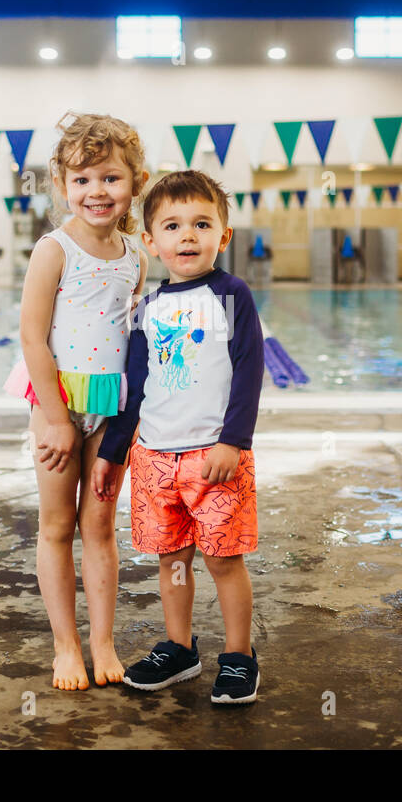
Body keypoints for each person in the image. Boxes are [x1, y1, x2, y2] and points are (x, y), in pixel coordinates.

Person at [91, 170, 265, 704]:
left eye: (201, 223)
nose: (187, 235)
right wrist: (112, 452)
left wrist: (232, 442)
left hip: (214, 457)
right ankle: (179, 646)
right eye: (172, 225)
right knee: (172, 560)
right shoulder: (146, 308)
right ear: (151, 241)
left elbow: (249, 370)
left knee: (223, 559)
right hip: (154, 459)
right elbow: (135, 385)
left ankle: (239, 655)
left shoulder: (231, 295)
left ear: (224, 235)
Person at [2, 112, 150, 691]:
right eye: (82, 179)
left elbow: (131, 337)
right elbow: (32, 337)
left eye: (110, 178)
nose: (96, 191)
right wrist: (56, 420)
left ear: (135, 183)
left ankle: (104, 641)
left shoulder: (136, 255)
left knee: (100, 527)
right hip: (56, 402)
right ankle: (66, 646)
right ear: (62, 185)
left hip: (108, 406)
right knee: (58, 525)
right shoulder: (53, 249)